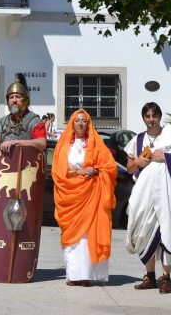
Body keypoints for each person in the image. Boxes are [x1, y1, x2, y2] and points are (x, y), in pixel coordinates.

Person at [124, 102, 171, 294]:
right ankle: (149, 276)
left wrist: (167, 157)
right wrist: (139, 161)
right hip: (144, 195)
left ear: (159, 117)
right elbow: (129, 167)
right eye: (147, 116)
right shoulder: (138, 140)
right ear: (143, 119)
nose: (151, 120)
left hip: (167, 194)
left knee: (167, 231)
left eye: (154, 116)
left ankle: (166, 278)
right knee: (143, 231)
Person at [51, 109, 117, 286]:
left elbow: (110, 167)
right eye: (77, 120)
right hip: (70, 196)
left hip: (92, 194)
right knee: (73, 239)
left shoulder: (96, 143)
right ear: (71, 124)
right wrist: (79, 171)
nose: (80, 123)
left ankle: (86, 276)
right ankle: (73, 275)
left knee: (87, 236)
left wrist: (95, 170)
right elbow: (58, 171)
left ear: (89, 124)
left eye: (84, 121)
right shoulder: (64, 144)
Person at [0, 74, 46, 156]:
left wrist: (17, 142)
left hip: (27, 166)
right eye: (11, 97)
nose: (14, 100)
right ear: (8, 101)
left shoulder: (34, 120)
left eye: (18, 97)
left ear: (25, 100)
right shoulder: (3, 122)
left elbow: (42, 143)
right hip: (5, 166)